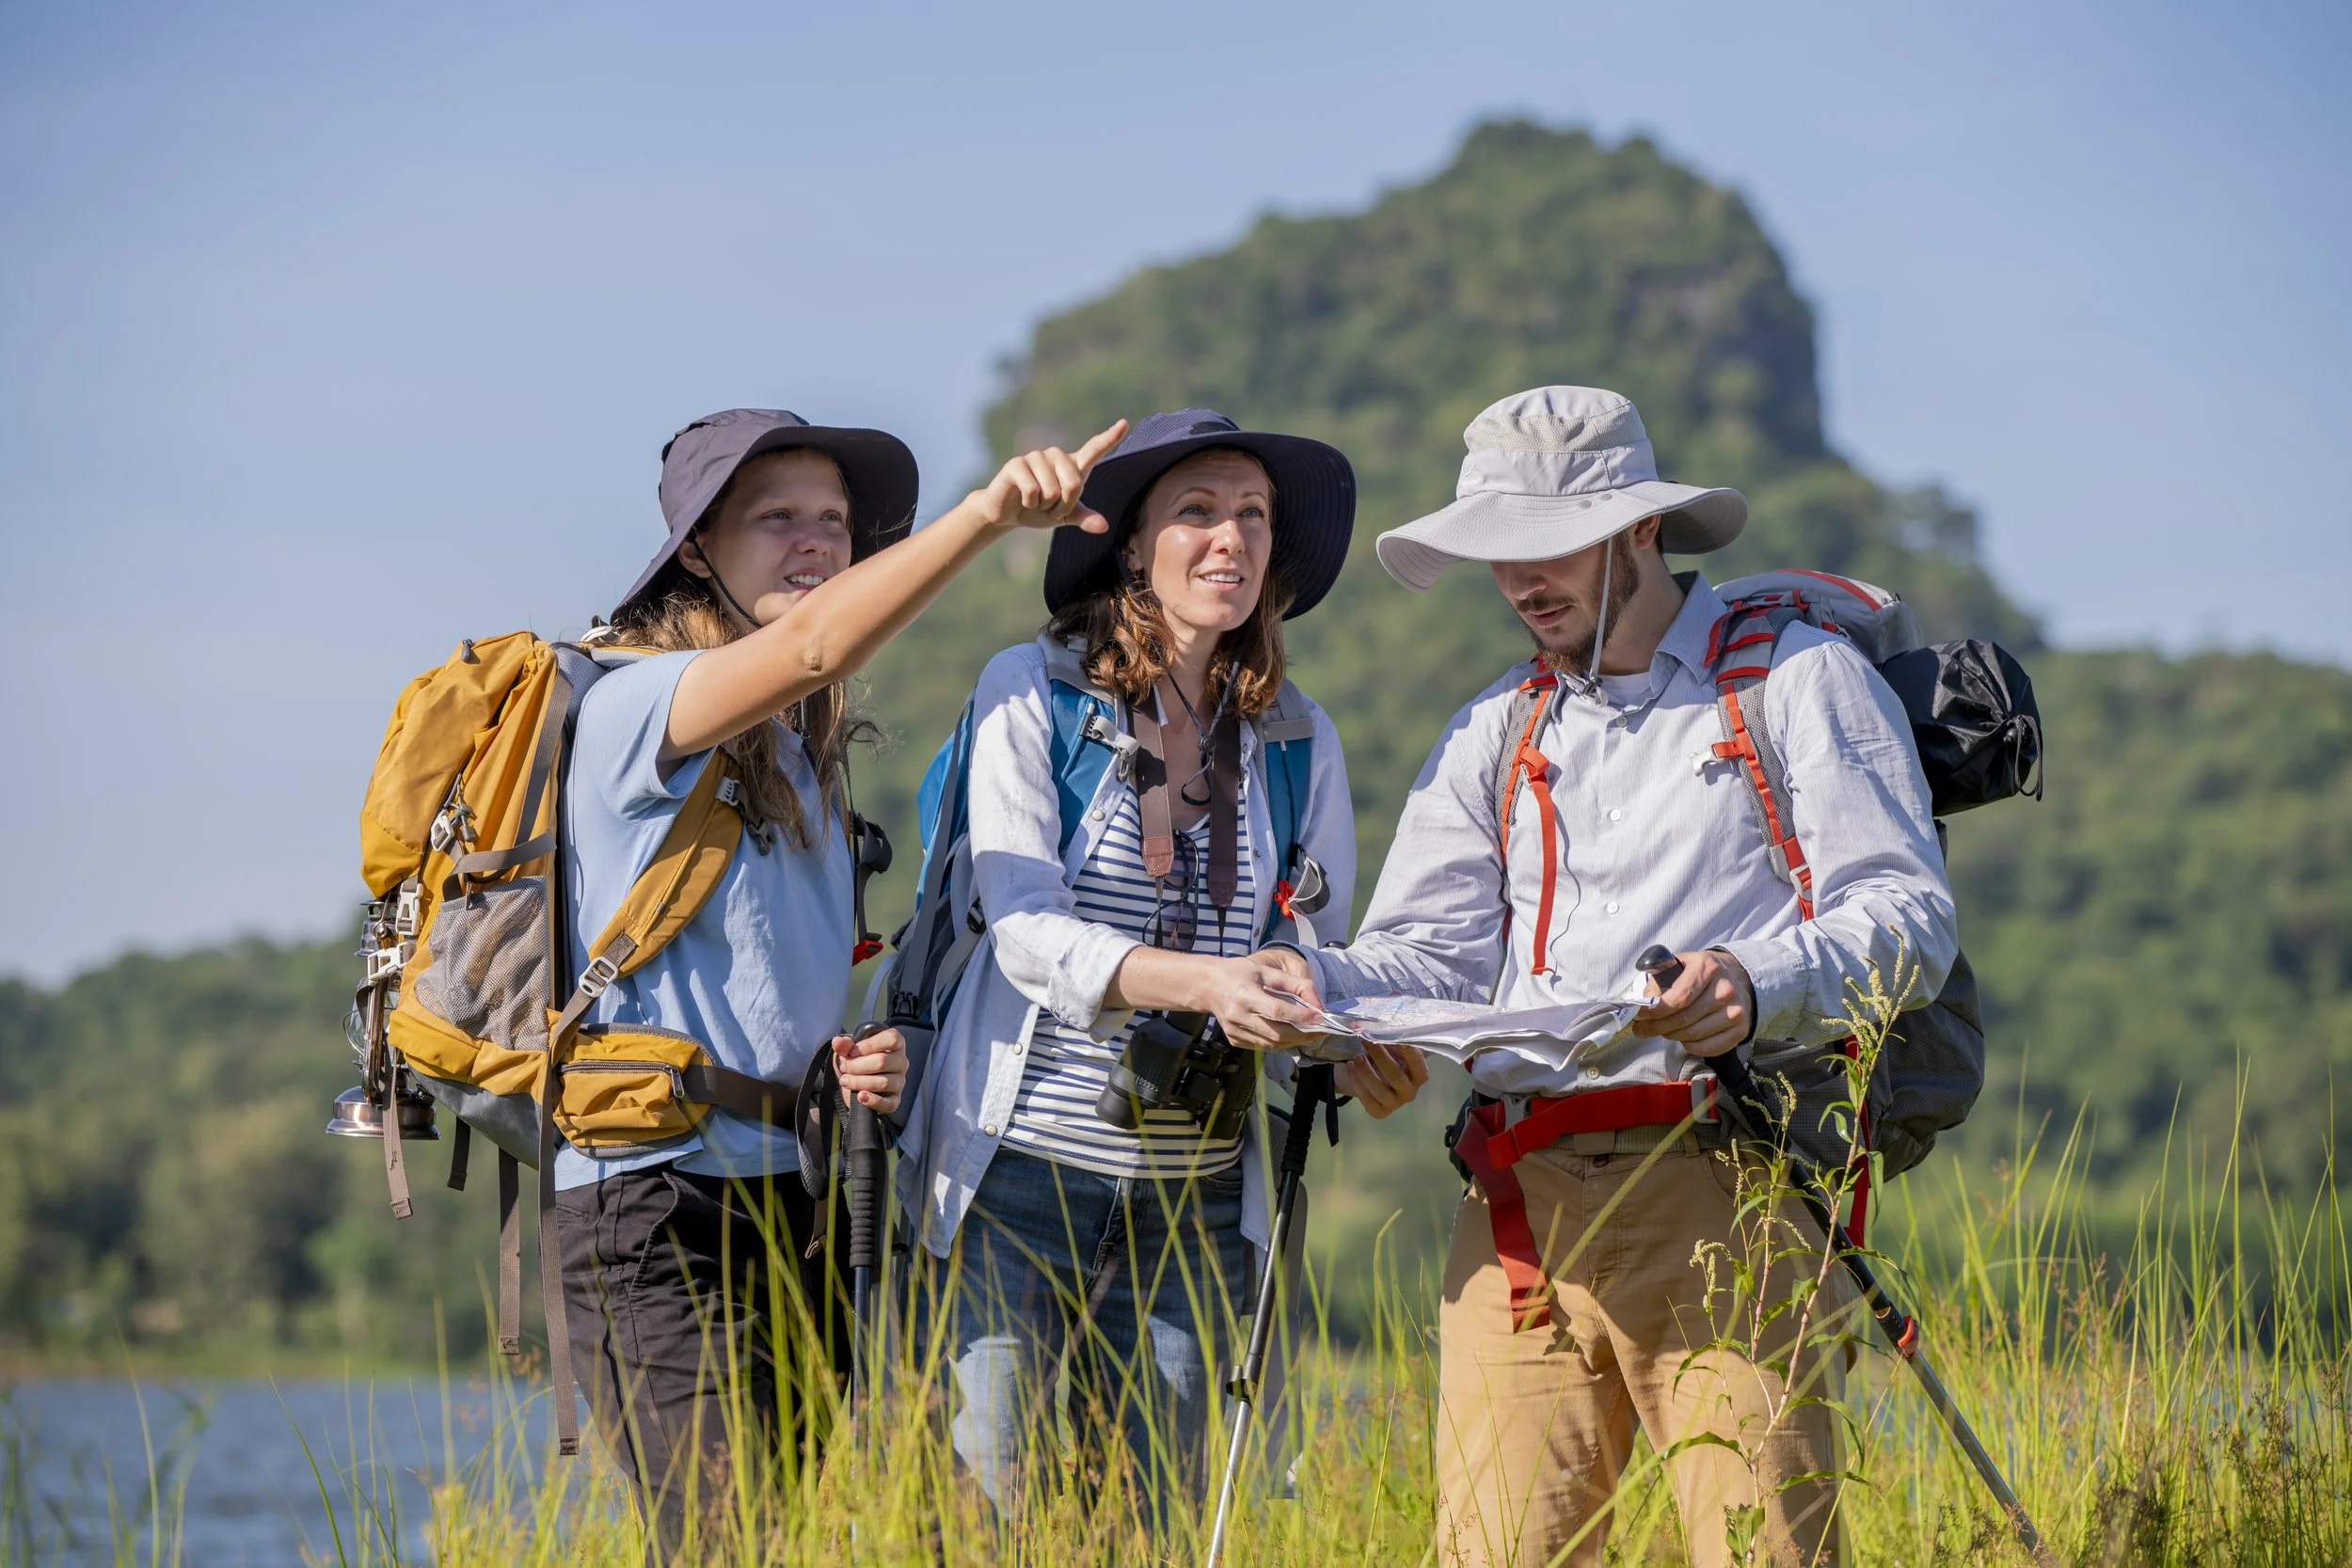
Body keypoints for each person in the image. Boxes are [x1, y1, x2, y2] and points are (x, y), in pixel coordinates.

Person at [1258, 387, 1958, 1567]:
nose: (1522, 582)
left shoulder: (1796, 678)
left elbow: (1908, 914)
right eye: (1500, 555)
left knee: (1761, 1551)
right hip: (1516, 1200)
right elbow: (1422, 952)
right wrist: (1318, 993)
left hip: (1729, 1180)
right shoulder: (1494, 724)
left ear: (1640, 529)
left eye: (1547, 547)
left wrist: (1753, 977)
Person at [557, 406, 1126, 1560]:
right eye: (777, 519)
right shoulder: (635, 704)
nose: (815, 540)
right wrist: (985, 516)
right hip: (654, 1203)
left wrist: (864, 1056)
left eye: (833, 521)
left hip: (804, 1197)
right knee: (732, 1541)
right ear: (697, 547)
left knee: (850, 1531)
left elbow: (772, 990)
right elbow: (818, 644)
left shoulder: (803, 758)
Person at [896, 409, 1425, 1525]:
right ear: (1132, 546)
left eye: (1253, 515)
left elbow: (1310, 943)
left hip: (1194, 1193)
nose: (1228, 536)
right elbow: (1024, 926)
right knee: (994, 1516)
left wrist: (1337, 1030)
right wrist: (1208, 982)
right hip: (1016, 1179)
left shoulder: (1296, 737)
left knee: (1169, 1518)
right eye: (1195, 511)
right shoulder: (1030, 692)